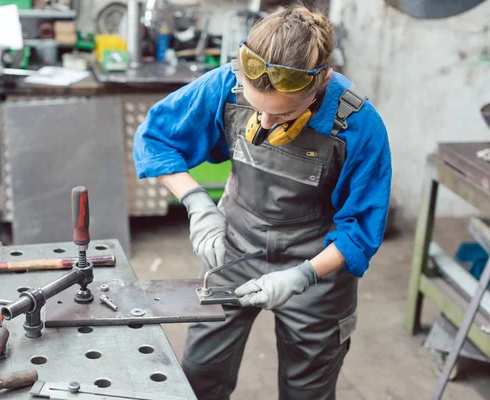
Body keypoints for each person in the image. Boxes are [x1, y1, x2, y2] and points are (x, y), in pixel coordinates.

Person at [133, 4, 392, 399]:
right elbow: (156, 137)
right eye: (257, 110)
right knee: (200, 377)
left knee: (309, 388)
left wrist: (303, 275)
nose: (264, 126)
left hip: (318, 266)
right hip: (234, 248)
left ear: (321, 80)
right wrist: (197, 202)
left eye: (284, 114)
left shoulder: (358, 124)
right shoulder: (226, 84)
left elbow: (360, 230)